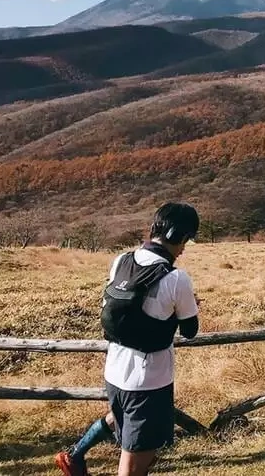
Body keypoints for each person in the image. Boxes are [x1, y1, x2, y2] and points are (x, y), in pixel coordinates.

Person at [57, 202, 200, 476]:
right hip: (148, 380)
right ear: (178, 236)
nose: (184, 249)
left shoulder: (121, 260)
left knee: (127, 432)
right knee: (133, 466)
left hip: (115, 371)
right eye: (186, 240)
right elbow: (190, 330)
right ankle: (74, 458)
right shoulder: (176, 278)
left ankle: (75, 456)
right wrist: (190, 305)